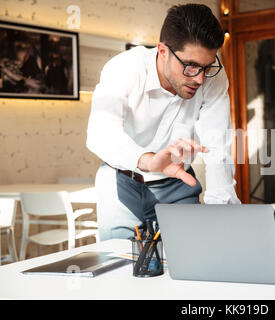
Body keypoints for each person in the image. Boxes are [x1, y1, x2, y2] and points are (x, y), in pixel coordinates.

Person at [86, 4, 240, 240]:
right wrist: (149, 161)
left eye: (207, 66)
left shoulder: (213, 77)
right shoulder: (124, 68)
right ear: (162, 51)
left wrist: (221, 214)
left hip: (179, 183)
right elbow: (101, 133)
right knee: (118, 265)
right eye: (190, 66)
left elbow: (217, 145)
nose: (200, 78)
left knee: (195, 256)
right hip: (121, 182)